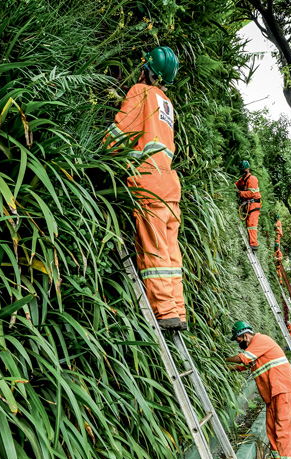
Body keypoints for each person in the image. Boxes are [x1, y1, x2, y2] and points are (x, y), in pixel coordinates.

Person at [108, 46, 186, 331]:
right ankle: (178, 308)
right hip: (170, 185)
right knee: (170, 252)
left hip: (149, 182)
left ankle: (165, 312)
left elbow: (121, 131)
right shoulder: (167, 105)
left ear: (147, 69)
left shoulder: (140, 91)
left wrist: (99, 154)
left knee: (153, 250)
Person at [225, 321, 291, 459]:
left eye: (238, 340)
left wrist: (224, 359)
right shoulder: (256, 350)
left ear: (245, 335)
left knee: (285, 431)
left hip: (283, 390)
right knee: (272, 430)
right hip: (273, 394)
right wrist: (222, 369)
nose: (239, 343)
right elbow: (244, 366)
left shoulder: (261, 340)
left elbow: (243, 359)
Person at [236, 160, 261, 251]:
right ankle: (250, 242)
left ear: (248, 169)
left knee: (252, 224)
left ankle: (253, 244)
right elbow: (236, 186)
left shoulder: (252, 179)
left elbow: (251, 193)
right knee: (248, 224)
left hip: (254, 204)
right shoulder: (242, 180)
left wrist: (240, 193)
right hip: (248, 204)